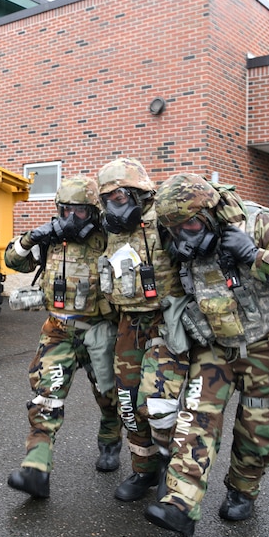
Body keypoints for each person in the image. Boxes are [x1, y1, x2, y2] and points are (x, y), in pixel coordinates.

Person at [143, 173, 269, 537]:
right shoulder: (171, 235)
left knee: (259, 433)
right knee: (196, 420)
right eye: (176, 229)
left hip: (264, 347)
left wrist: (255, 255)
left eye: (192, 224)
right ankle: (180, 503)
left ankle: (243, 490)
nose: (184, 236)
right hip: (213, 347)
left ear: (211, 214)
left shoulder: (257, 222)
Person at [5, 175, 122, 499]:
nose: (72, 219)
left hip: (99, 329)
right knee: (46, 397)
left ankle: (110, 442)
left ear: (94, 212)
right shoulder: (52, 237)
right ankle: (36, 469)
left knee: (108, 395)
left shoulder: (110, 237)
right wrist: (32, 237)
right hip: (59, 330)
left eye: (80, 212)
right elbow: (12, 260)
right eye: (66, 210)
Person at [96, 158, 186, 502]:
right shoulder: (110, 228)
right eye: (106, 200)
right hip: (128, 323)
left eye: (118, 197)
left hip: (165, 322)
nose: (112, 206)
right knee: (127, 402)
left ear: (138, 192)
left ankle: (169, 471)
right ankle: (143, 470)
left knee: (160, 402)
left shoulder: (165, 218)